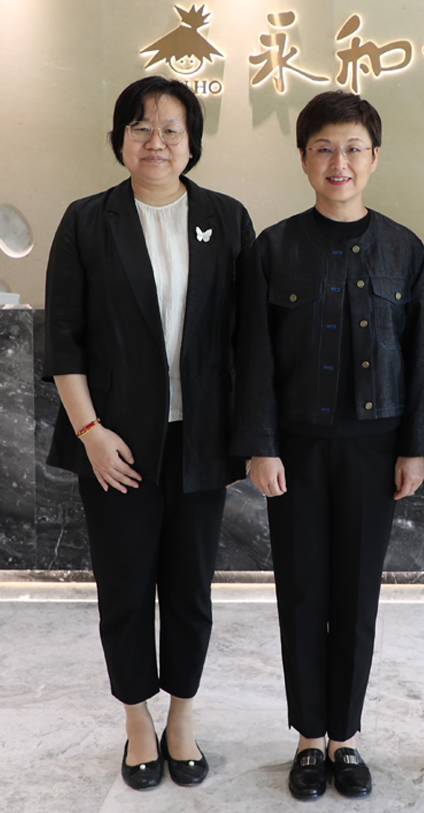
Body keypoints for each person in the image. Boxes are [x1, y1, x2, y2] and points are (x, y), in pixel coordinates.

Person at [43, 76, 254, 790]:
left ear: (191, 143)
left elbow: (246, 341)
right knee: (125, 589)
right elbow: (64, 340)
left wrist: (248, 437)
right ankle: (137, 719)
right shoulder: (87, 221)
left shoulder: (226, 219)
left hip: (199, 444)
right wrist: (91, 432)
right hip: (116, 446)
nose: (155, 142)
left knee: (191, 590)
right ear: (120, 139)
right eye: (140, 128)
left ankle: (182, 718)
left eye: (170, 129)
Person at [231, 91, 424, 800]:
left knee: (356, 594)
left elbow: (418, 359)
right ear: (303, 159)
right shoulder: (273, 248)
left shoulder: (404, 250)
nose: (338, 162)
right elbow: (253, 358)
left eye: (352, 149)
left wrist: (414, 447)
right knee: (301, 590)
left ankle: (345, 736)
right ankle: (308, 738)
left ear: (373, 158)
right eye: (324, 148)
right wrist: (260, 446)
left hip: (375, 449)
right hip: (295, 448)